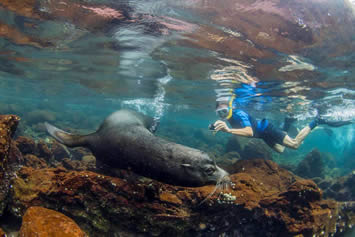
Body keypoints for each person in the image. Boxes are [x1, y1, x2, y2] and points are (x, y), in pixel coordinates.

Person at [211, 97, 351, 153]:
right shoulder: (228, 118)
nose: (223, 116)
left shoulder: (238, 113)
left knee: (295, 145)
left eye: (224, 112)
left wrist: (228, 130)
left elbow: (248, 132)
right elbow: (232, 127)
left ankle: (317, 121)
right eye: (219, 113)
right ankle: (288, 123)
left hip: (267, 129)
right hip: (263, 135)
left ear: (230, 108)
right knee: (281, 150)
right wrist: (215, 126)